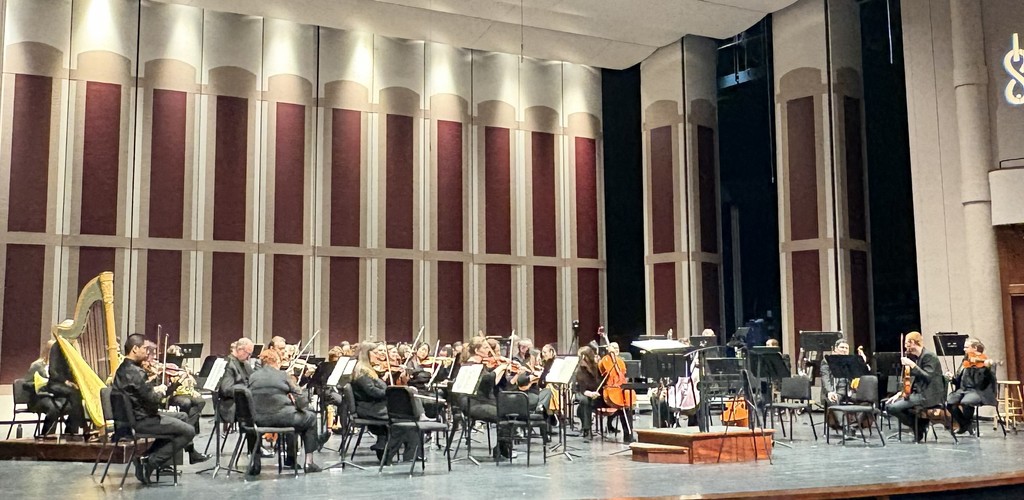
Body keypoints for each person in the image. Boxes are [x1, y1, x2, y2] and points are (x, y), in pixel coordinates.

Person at [112, 334, 198, 485]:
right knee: (189, 431)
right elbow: (154, 402)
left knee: (183, 417)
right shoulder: (136, 373)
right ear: (135, 349)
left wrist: (161, 390)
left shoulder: (123, 369)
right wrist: (162, 391)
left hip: (132, 417)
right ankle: (151, 462)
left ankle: (148, 458)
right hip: (142, 420)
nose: (147, 354)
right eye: (145, 349)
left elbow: (141, 395)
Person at [247, 349, 322, 474]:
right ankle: (309, 463)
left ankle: (256, 463)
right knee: (311, 418)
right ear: (276, 361)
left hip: (258, 420)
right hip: (282, 418)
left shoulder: (253, 376)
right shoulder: (283, 375)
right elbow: (300, 399)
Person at [351, 341, 418, 463]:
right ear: (368, 354)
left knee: (408, 415)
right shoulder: (362, 372)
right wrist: (392, 392)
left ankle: (391, 449)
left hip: (374, 406)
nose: (380, 355)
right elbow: (373, 393)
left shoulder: (369, 370)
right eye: (376, 353)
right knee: (405, 416)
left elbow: (378, 390)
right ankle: (393, 452)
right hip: (370, 408)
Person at [885, 331, 945, 442]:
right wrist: (900, 393)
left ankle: (919, 428)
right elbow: (912, 381)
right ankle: (920, 426)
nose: (905, 347)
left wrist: (912, 365)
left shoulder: (929, 356)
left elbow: (928, 377)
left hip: (928, 395)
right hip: (918, 394)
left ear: (912, 342)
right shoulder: (919, 357)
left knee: (892, 408)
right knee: (891, 405)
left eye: (906, 344)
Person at [944, 338, 997, 434]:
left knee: (966, 401)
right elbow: (959, 381)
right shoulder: (965, 362)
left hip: (979, 391)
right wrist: (952, 378)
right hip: (963, 390)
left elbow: (988, 381)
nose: (964, 349)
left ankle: (966, 425)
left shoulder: (985, 363)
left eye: (966, 347)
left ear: (975, 348)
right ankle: (965, 424)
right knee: (950, 402)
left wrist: (988, 367)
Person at [24, 340, 66, 436]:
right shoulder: (37, 365)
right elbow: (25, 383)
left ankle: (70, 436)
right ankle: (46, 435)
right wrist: (40, 384)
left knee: (73, 406)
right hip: (38, 398)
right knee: (53, 409)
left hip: (53, 396)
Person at [45, 339, 85, 438]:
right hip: (55, 384)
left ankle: (71, 429)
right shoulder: (56, 346)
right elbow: (52, 372)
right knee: (74, 393)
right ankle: (83, 425)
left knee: (77, 395)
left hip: (68, 385)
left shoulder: (71, 348)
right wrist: (66, 382)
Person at [217, 338, 255, 429]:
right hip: (231, 405)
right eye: (248, 353)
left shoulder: (245, 364)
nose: (249, 357)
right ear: (240, 350)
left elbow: (253, 379)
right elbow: (226, 389)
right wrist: (245, 390)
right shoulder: (228, 364)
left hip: (244, 402)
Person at [574, 346, 602, 439]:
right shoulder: (581, 368)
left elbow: (599, 381)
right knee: (585, 401)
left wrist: (596, 392)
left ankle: (609, 425)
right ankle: (586, 428)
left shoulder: (596, 366)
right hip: (582, 392)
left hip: (594, 392)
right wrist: (589, 393)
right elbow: (582, 387)